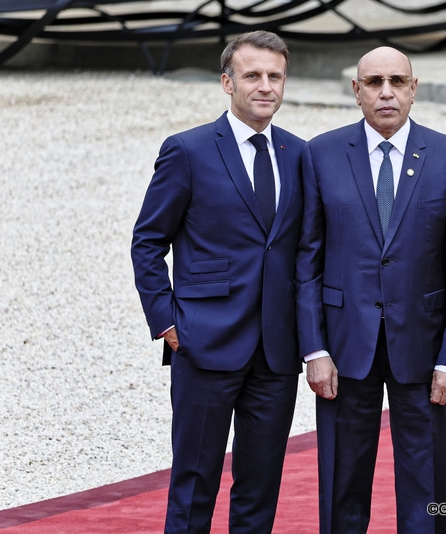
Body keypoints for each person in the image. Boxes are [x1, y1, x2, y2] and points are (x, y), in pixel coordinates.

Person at [296, 46, 446, 534]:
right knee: (342, 482)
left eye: (397, 82)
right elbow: (307, 260)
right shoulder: (320, 154)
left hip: (423, 348)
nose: (386, 93)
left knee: (426, 486)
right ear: (356, 91)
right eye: (374, 83)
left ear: (414, 89)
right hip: (342, 349)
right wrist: (314, 349)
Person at [130, 31, 305, 533]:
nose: (265, 86)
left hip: (277, 350)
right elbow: (148, 241)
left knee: (260, 485)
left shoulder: (299, 154)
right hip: (203, 342)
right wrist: (166, 322)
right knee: (193, 483)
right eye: (253, 75)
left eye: (275, 76)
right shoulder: (187, 151)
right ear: (227, 83)